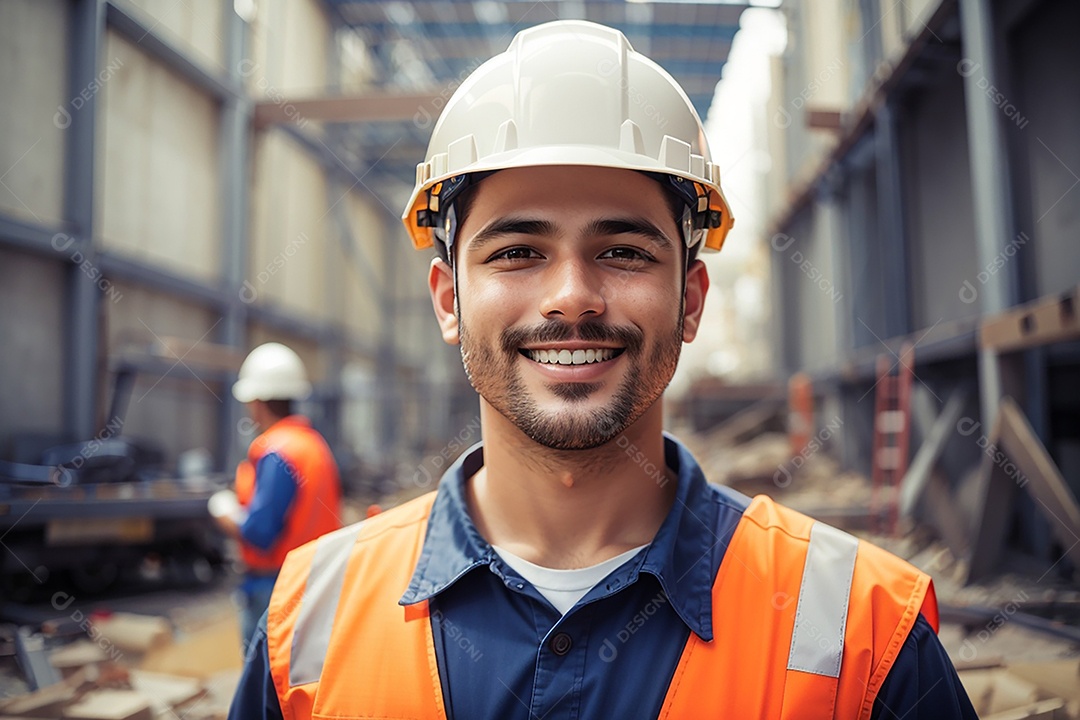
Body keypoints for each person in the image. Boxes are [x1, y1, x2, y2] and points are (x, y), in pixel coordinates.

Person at [229, 21, 976, 719]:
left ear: (689, 299)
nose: (572, 298)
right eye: (518, 251)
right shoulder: (307, 622)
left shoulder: (865, 631)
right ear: (450, 299)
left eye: (623, 251)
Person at [211, 342, 341, 653]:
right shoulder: (314, 445)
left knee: (266, 687)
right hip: (314, 582)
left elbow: (260, 532)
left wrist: (224, 512)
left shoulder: (277, 451)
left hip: (276, 588)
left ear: (256, 401)